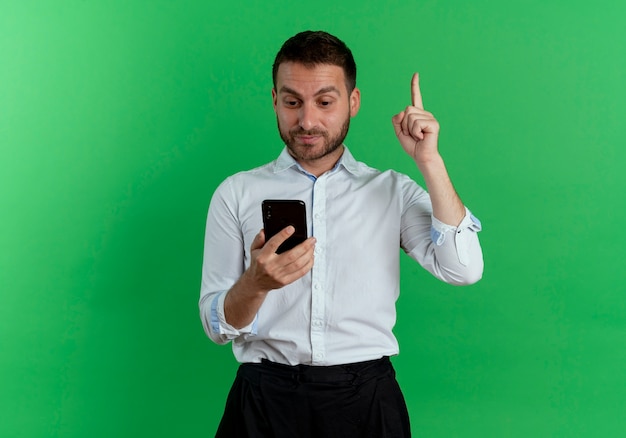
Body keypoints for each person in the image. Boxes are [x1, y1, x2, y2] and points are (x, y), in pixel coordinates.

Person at [199, 30, 483, 438]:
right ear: (275, 101)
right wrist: (255, 284)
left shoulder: (392, 190)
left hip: (367, 400)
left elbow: (464, 269)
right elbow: (217, 327)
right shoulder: (236, 193)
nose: (307, 121)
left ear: (353, 102)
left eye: (325, 102)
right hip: (264, 401)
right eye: (292, 101)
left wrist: (430, 161)